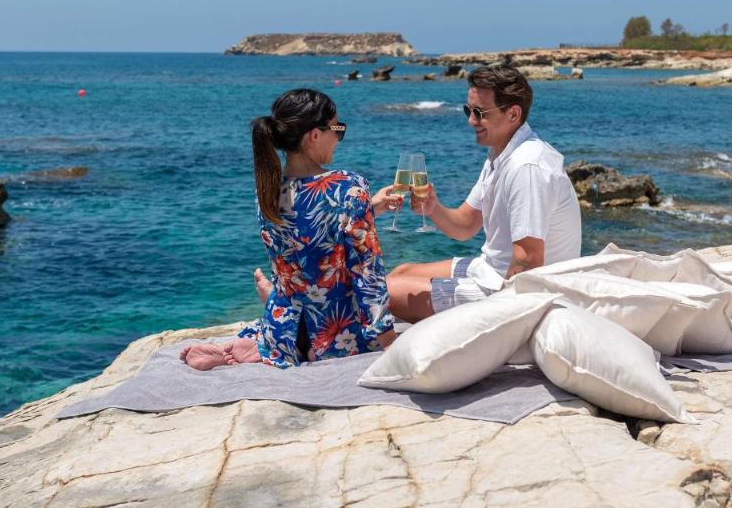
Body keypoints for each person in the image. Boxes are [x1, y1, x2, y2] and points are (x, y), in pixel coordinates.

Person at [181, 88, 401, 370]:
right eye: (337, 129)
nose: (339, 137)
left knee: (287, 289)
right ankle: (291, 344)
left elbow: (307, 229)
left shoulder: (268, 189)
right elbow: (367, 271)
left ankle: (262, 339)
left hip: (283, 331)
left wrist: (369, 209)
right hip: (336, 336)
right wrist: (389, 340)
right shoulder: (349, 186)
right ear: (315, 135)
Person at [386, 65, 582, 321]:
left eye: (479, 113)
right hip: (490, 271)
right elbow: (465, 225)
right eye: (468, 111)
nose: (470, 120)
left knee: (382, 291)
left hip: (508, 291)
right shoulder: (501, 154)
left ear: (513, 114)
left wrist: (496, 319)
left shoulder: (527, 167)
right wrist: (433, 208)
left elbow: (527, 261)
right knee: (401, 272)